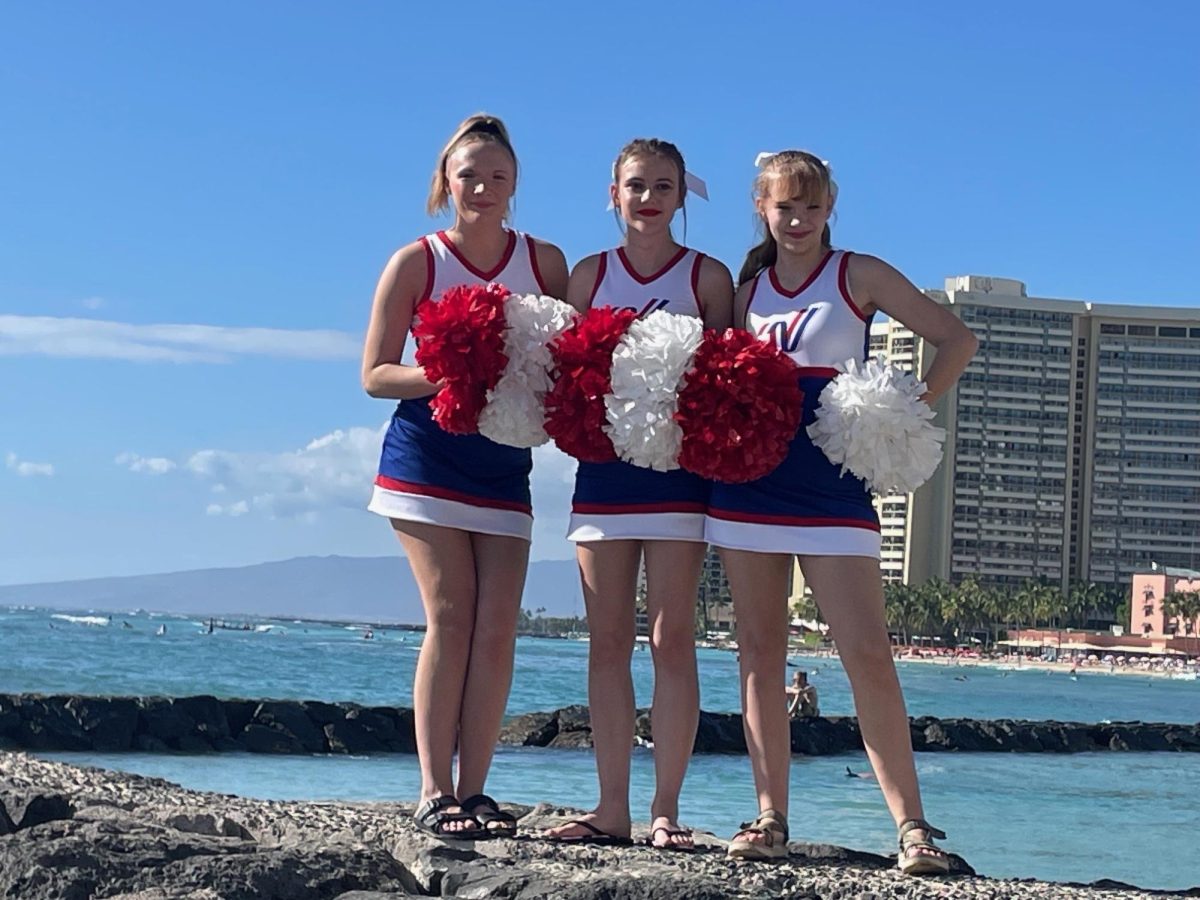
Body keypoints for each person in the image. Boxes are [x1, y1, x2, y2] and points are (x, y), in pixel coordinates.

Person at [706, 151, 977, 873]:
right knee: (759, 655)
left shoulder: (859, 274)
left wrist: (907, 408)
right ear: (761, 208)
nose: (797, 220)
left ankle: (913, 829)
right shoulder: (746, 291)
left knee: (866, 655)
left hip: (833, 492)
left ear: (830, 209)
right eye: (783, 207)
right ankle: (770, 820)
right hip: (748, 491)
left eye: (810, 207)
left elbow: (957, 338)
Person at [362, 113, 568, 840]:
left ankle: (476, 790)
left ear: (516, 184)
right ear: (446, 182)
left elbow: (563, 361)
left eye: (498, 176)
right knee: (450, 616)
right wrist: (443, 371)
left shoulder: (543, 263)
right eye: (469, 174)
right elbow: (374, 374)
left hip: (504, 466)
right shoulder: (416, 261)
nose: (483, 187)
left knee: (498, 629)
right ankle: (431, 787)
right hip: (425, 457)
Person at [544, 138, 733, 852]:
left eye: (662, 186)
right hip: (604, 476)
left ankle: (667, 811)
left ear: (682, 196)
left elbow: (725, 383)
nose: (648, 198)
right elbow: (562, 376)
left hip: (681, 478)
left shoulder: (708, 277)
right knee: (608, 641)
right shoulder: (590, 274)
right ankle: (611, 807)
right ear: (612, 194)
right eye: (635, 186)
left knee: (672, 637)